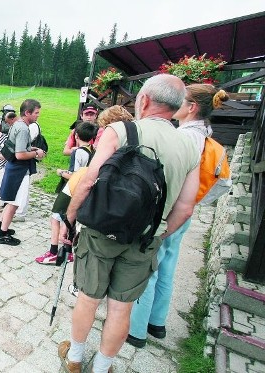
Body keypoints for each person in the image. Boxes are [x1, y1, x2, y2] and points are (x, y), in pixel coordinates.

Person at [57, 74, 201, 373]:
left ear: (144, 100)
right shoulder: (189, 146)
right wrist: (159, 234)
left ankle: (74, 359)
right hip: (144, 239)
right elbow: (186, 208)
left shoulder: (120, 131)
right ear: (175, 108)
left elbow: (87, 182)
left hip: (101, 232)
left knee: (88, 298)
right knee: (121, 308)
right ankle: (103, 367)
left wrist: (69, 221)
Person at [127, 84, 229, 348]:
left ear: (191, 107)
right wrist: (195, 202)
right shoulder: (208, 138)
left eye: (181, 101)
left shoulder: (183, 137)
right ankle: (157, 322)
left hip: (168, 211)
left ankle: (136, 329)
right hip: (186, 212)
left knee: (148, 265)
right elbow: (221, 184)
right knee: (168, 266)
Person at [36, 121, 97, 264]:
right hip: (83, 191)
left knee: (56, 218)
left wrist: (61, 172)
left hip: (71, 190)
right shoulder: (92, 151)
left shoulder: (78, 152)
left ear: (76, 135)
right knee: (71, 221)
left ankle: (53, 251)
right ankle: (69, 251)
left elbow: (75, 175)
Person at [0, 99, 44, 245]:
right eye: (36, 113)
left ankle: (0, 227)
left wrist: (32, 149)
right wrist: (37, 153)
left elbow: (18, 148)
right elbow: (20, 155)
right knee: (14, 202)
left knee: (10, 200)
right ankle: (3, 234)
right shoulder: (23, 129)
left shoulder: (17, 124)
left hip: (13, 167)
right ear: (27, 113)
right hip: (19, 170)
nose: (38, 116)